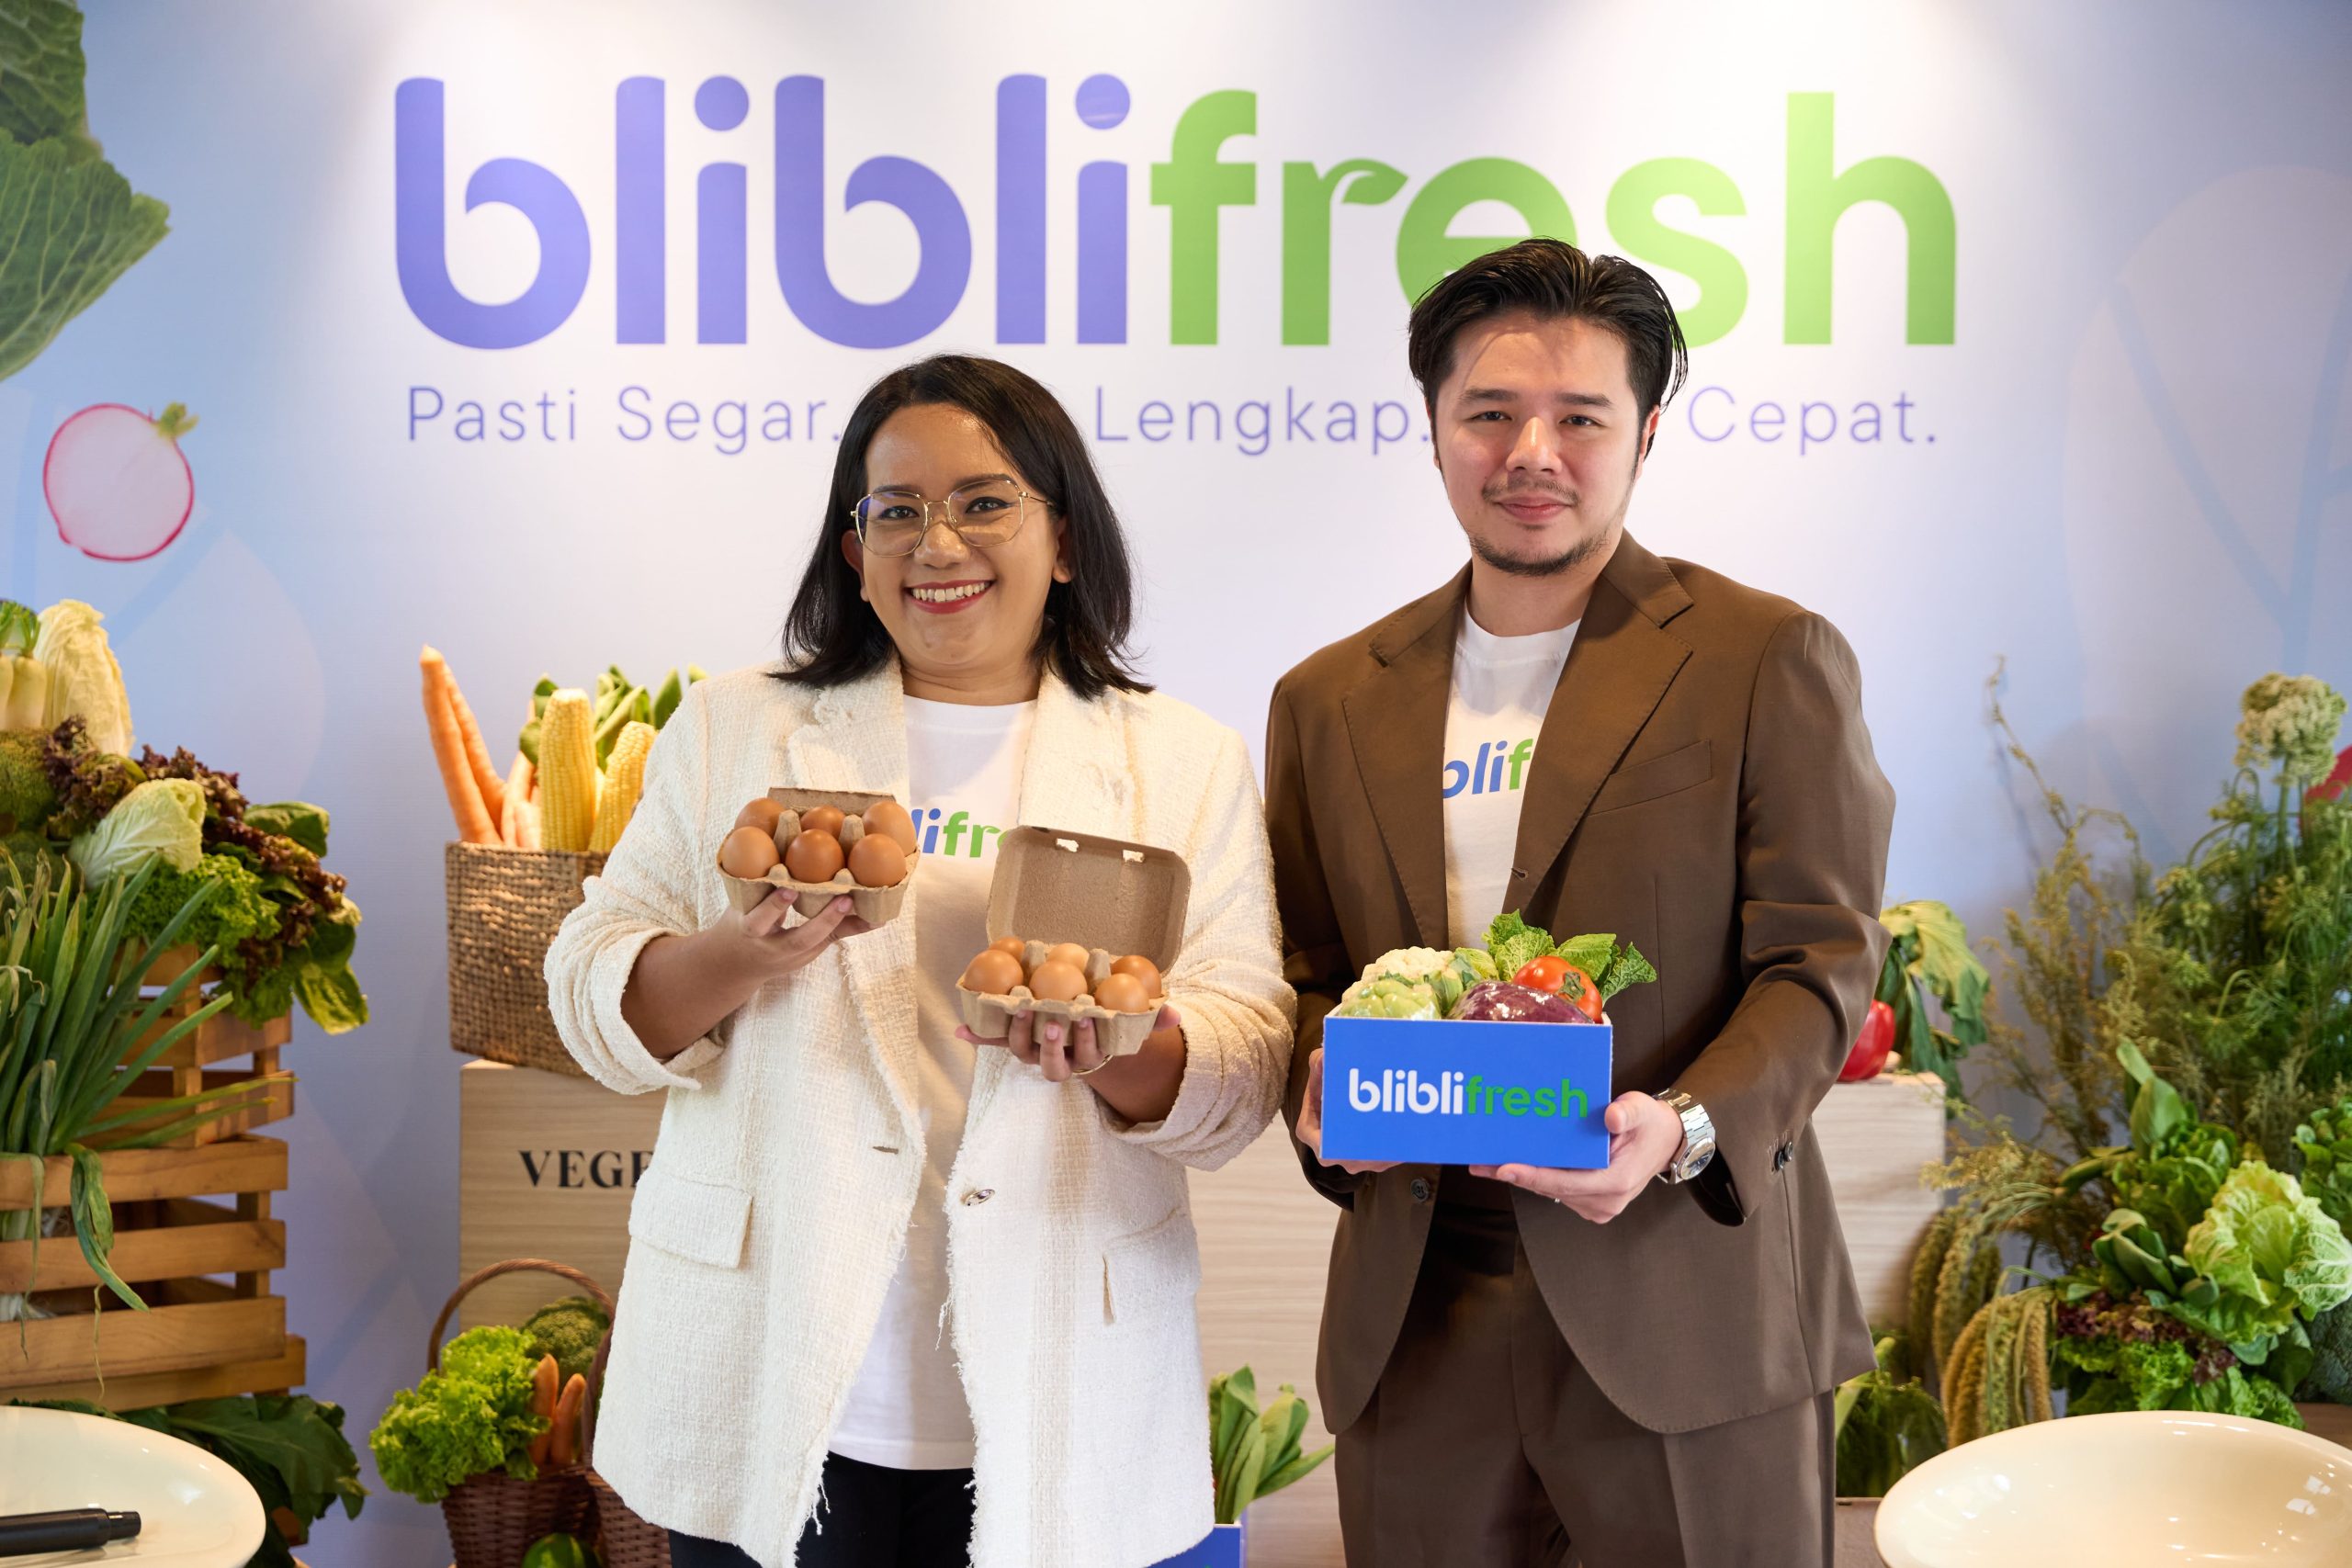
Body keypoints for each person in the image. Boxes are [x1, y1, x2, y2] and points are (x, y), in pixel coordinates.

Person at [545, 355, 1293, 1568]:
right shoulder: (736, 726)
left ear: (1064, 539)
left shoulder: (1181, 760)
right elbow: (587, 990)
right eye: (897, 510)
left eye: (984, 502)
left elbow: (1246, 1059)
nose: (938, 543)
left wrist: (1116, 1050)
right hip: (770, 1366)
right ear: (856, 551)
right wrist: (744, 950)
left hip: (1058, 1382)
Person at [1264, 239, 1895, 1566]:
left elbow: (1819, 962)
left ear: (1646, 433)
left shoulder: (1762, 656)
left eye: (1581, 418)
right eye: (1490, 413)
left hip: (1684, 1294)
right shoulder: (1327, 698)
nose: (1531, 453)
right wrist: (1320, 1090)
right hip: (1419, 1308)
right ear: (1434, 427)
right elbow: (1312, 964)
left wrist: (1683, 1129)